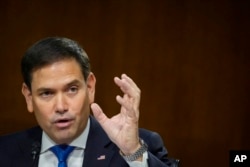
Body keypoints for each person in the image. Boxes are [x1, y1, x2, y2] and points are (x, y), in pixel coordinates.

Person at [0, 37, 173, 167]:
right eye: (46, 93)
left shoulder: (139, 147)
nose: (61, 107)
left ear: (90, 87)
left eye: (72, 89)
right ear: (29, 97)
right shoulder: (4, 152)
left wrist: (134, 153)